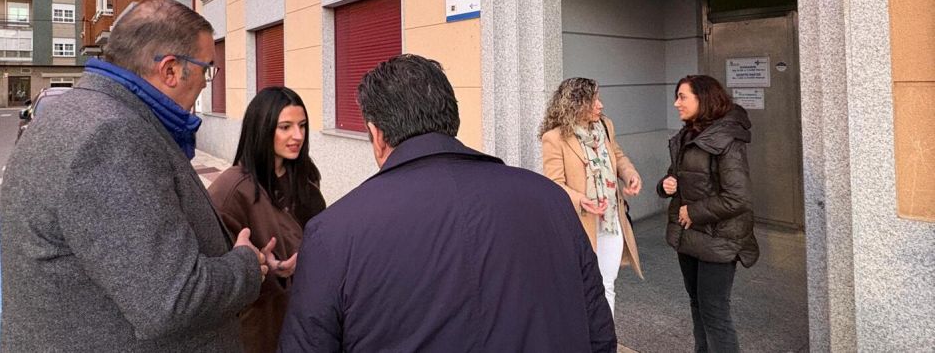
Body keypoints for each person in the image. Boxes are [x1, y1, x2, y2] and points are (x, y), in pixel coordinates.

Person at [278, 54, 617, 352]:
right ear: (452, 120)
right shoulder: (550, 198)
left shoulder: (333, 233)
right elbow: (600, 332)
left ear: (376, 134)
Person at [0, 0, 278, 352]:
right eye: (206, 70)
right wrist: (246, 266)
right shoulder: (112, 137)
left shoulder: (75, 112)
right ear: (170, 70)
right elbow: (172, 300)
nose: (206, 83)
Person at [207, 87, 326, 352]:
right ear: (262, 128)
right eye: (285, 127)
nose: (298, 136)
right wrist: (260, 268)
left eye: (302, 126)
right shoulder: (231, 189)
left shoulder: (306, 176)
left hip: (307, 318)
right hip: (261, 329)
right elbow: (211, 272)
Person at [657, 75, 759, 353]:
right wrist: (665, 185)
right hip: (689, 235)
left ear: (703, 99)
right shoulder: (688, 134)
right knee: (697, 304)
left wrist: (694, 211)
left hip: (719, 238)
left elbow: (738, 197)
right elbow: (679, 176)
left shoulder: (727, 139)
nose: (676, 103)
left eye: (682, 97)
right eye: (676, 97)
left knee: (715, 312)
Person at [540, 77, 644, 318]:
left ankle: (605, 335)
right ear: (576, 104)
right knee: (581, 286)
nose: (600, 105)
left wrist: (630, 175)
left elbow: (618, 156)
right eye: (594, 100)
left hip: (610, 219)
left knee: (607, 283)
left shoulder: (605, 126)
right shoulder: (554, 138)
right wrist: (580, 200)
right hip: (580, 222)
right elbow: (554, 183)